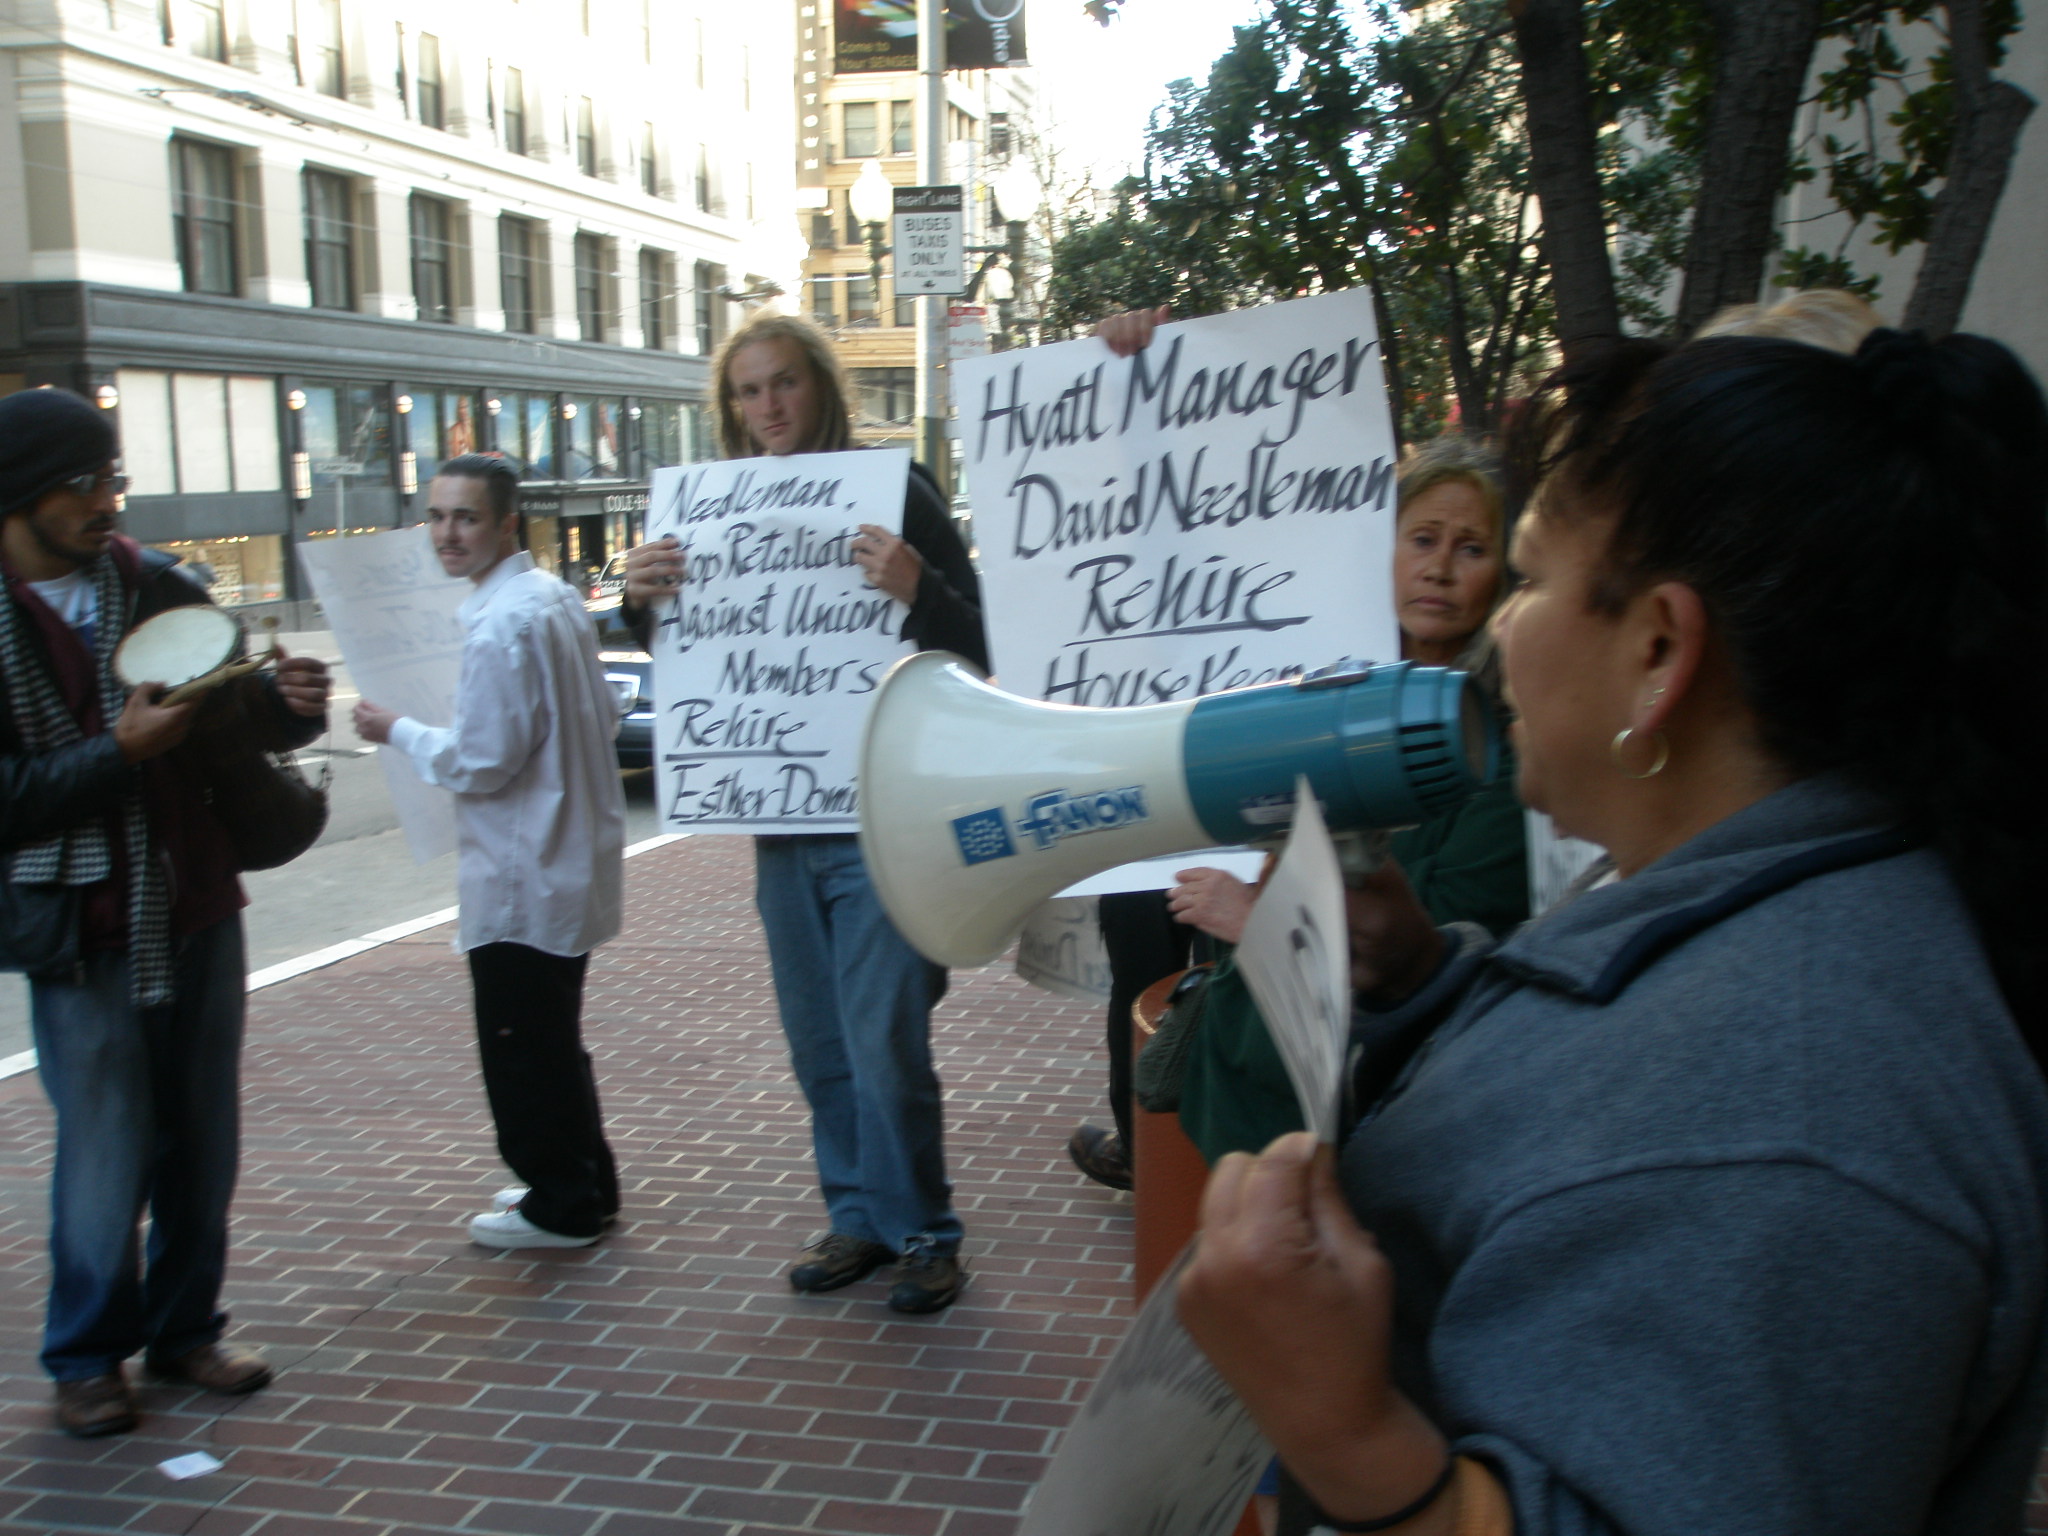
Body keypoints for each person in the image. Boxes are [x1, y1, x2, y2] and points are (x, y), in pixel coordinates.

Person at [1175, 327, 2048, 1535]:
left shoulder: (1782, 1129)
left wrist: (1344, 1434)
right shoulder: (1778, 916)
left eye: (1527, 578)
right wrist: (1420, 979)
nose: (1502, 629)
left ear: (1656, 651)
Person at [620, 312, 987, 1314]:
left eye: (784, 381)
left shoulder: (897, 492)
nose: (769, 405)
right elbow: (694, 656)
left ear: (821, 384)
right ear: (730, 407)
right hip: (783, 827)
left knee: (882, 1040)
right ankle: (858, 1216)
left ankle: (924, 1233)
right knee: (820, 1043)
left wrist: (917, 587)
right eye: (749, 390)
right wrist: (639, 600)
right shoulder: (709, 514)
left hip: (886, 822)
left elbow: (983, 646)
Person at [0, 386, 332, 1437]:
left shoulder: (159, 584)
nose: (108, 501)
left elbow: (234, 720)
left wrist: (284, 705)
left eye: (114, 477)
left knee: (202, 1136)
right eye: (83, 482)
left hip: (194, 901)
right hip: (78, 927)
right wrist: (116, 755)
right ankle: (86, 1357)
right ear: (20, 494)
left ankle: (187, 1329)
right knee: (105, 1147)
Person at [1168, 437, 1529, 1167]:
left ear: (1504, 577)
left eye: (1470, 548)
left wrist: (1258, 920)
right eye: (1422, 539)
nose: (1439, 568)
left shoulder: (1504, 759)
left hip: (1372, 1127)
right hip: (1248, 1093)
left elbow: (1434, 947)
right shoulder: (1319, 698)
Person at [353, 454, 625, 1251]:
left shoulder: (504, 623)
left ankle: (561, 1202)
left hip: (522, 869)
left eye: (465, 517)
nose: (447, 534)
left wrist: (396, 729)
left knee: (521, 1045)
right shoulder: (553, 599)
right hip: (565, 859)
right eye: (437, 517)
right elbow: (604, 711)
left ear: (507, 523)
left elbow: (480, 760)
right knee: (552, 1036)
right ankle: (585, 1182)